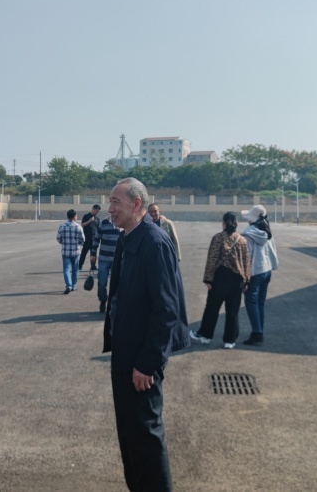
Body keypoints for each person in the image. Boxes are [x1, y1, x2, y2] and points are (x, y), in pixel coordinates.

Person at [102, 178, 189, 492]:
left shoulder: (153, 242)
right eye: (110, 202)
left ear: (136, 203)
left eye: (116, 202)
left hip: (140, 361)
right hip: (125, 354)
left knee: (145, 437)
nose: (110, 209)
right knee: (130, 436)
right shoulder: (128, 238)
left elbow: (166, 310)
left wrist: (148, 363)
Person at [191, 212, 251, 349]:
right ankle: (230, 340)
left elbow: (212, 259)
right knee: (232, 311)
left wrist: (208, 279)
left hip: (220, 278)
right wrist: (247, 280)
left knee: (211, 309)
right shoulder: (242, 240)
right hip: (236, 280)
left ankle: (206, 335)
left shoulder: (218, 238)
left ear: (223, 223)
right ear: (236, 223)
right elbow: (247, 261)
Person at [240, 205, 278, 346]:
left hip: (255, 272)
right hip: (266, 270)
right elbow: (272, 251)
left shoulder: (247, 234)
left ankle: (257, 333)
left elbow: (247, 257)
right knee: (260, 302)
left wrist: (245, 278)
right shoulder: (267, 231)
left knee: (251, 302)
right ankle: (259, 330)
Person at [92, 214, 121, 314]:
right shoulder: (104, 223)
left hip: (118, 260)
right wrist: (93, 254)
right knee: (102, 283)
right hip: (104, 259)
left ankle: (114, 304)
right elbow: (96, 239)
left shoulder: (123, 223)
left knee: (117, 284)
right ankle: (103, 301)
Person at [57, 209, 85, 294]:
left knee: (66, 269)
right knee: (75, 269)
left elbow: (58, 238)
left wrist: (64, 242)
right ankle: (73, 285)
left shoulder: (62, 226)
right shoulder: (78, 227)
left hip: (65, 251)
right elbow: (83, 240)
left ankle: (68, 285)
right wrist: (78, 243)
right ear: (74, 216)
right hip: (76, 251)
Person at [80, 204, 101, 270]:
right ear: (93, 209)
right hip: (87, 239)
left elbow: (98, 229)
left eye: (98, 211)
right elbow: (82, 225)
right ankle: (79, 266)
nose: (97, 212)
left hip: (94, 240)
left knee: (93, 254)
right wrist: (89, 221)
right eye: (96, 211)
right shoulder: (86, 216)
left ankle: (93, 266)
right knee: (83, 253)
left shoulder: (97, 219)